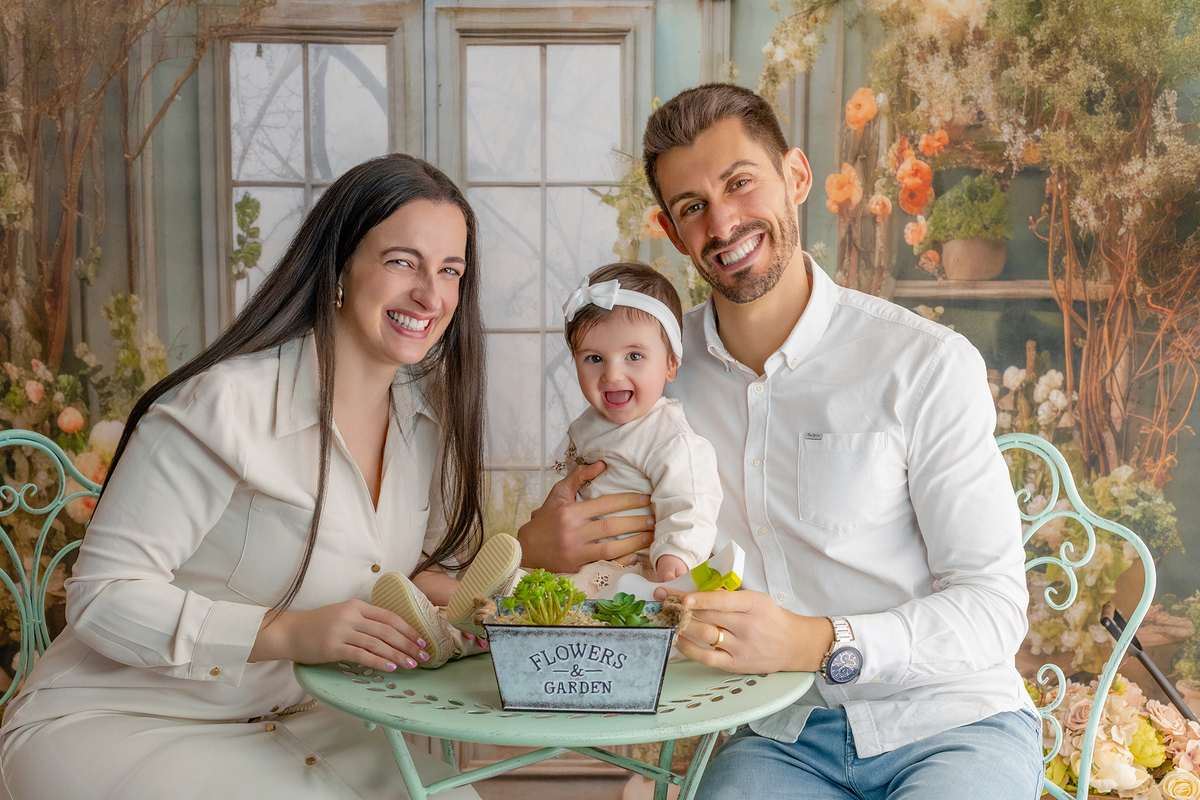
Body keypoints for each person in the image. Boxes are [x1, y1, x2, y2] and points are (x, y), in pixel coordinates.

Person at [518, 84, 1043, 798]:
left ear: (795, 178)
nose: (724, 221)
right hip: (778, 737)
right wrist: (542, 545)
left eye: (740, 183)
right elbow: (605, 535)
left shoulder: (923, 362)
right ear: (673, 234)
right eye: (692, 206)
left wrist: (819, 641)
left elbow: (993, 603)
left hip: (952, 722)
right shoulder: (652, 380)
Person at [0, 154, 490, 800]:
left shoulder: (421, 428)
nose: (431, 295)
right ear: (339, 268)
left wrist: (460, 602)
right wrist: (285, 633)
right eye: (403, 261)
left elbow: (369, 567)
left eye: (449, 270)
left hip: (299, 721)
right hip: (122, 720)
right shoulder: (223, 407)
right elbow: (103, 597)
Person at [556, 261, 721, 597]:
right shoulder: (584, 426)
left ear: (670, 365)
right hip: (582, 557)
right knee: (529, 588)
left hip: (637, 568)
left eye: (633, 355)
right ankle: (466, 628)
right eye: (594, 358)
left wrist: (678, 554)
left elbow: (690, 501)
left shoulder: (668, 437)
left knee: (569, 601)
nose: (612, 375)